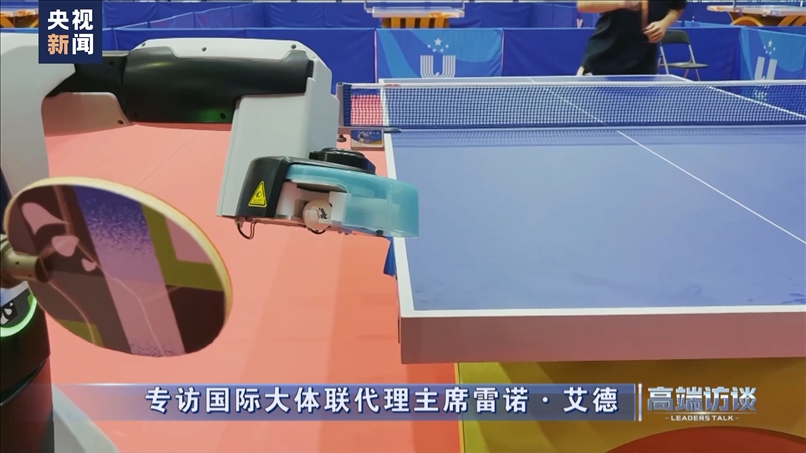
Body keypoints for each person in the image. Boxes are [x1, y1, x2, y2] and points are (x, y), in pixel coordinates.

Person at [577, 0, 687, 76]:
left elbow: (677, 7)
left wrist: (664, 23)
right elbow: (583, 4)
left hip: (644, 66)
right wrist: (623, 3)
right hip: (602, 62)